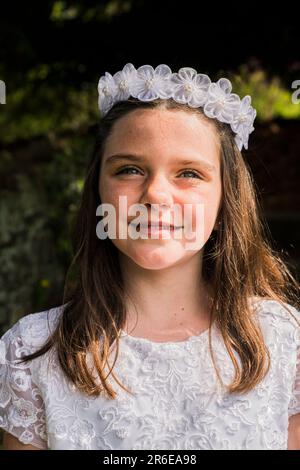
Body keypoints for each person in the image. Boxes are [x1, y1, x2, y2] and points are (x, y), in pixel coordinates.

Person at [0, 63, 299, 450]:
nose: (156, 195)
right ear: (99, 191)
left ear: (227, 198)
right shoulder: (33, 351)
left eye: (189, 173)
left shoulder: (284, 341)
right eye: (129, 169)